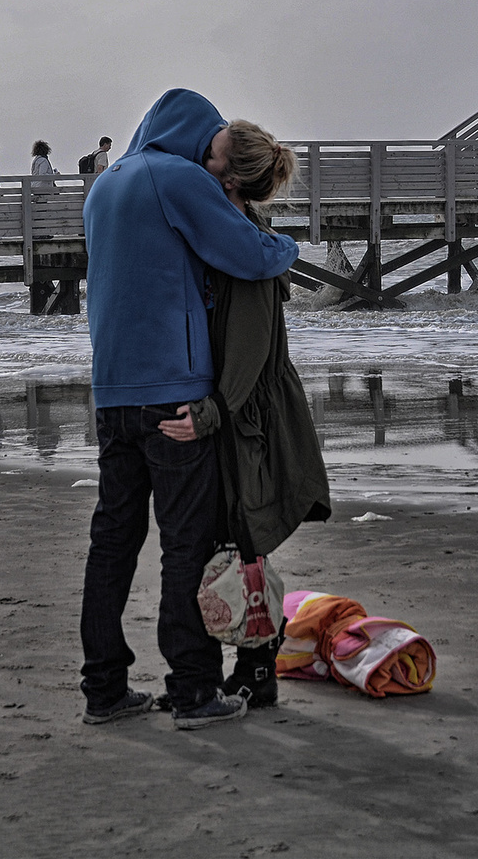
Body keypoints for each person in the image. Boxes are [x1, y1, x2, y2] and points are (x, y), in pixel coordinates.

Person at [79, 89, 298, 731]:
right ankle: (195, 689)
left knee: (112, 541)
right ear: (205, 137)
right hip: (172, 390)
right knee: (185, 542)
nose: (220, 174)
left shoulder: (106, 183)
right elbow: (250, 254)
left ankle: (104, 689)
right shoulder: (176, 178)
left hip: (113, 388)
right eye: (220, 161)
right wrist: (287, 247)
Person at [157, 123, 332, 709]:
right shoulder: (240, 233)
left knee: (243, 530)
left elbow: (250, 349)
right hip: (243, 404)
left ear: (230, 177)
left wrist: (212, 413)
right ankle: (254, 667)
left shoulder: (250, 242)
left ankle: (257, 666)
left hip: (248, 410)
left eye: (209, 156)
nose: (197, 160)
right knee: (238, 533)